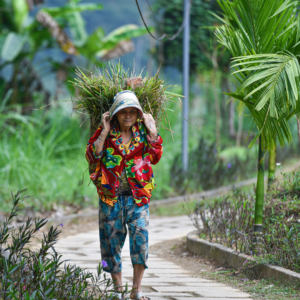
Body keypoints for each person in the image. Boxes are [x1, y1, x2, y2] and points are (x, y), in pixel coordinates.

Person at [85, 90, 163, 300]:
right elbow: (92, 156)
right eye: (123, 112)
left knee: (141, 240)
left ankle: (136, 290)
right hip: (110, 198)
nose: (127, 116)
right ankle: (118, 289)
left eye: (132, 112)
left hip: (138, 198)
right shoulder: (106, 133)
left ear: (138, 114)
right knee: (110, 243)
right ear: (115, 114)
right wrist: (103, 131)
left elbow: (155, 157)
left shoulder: (143, 132)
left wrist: (153, 131)